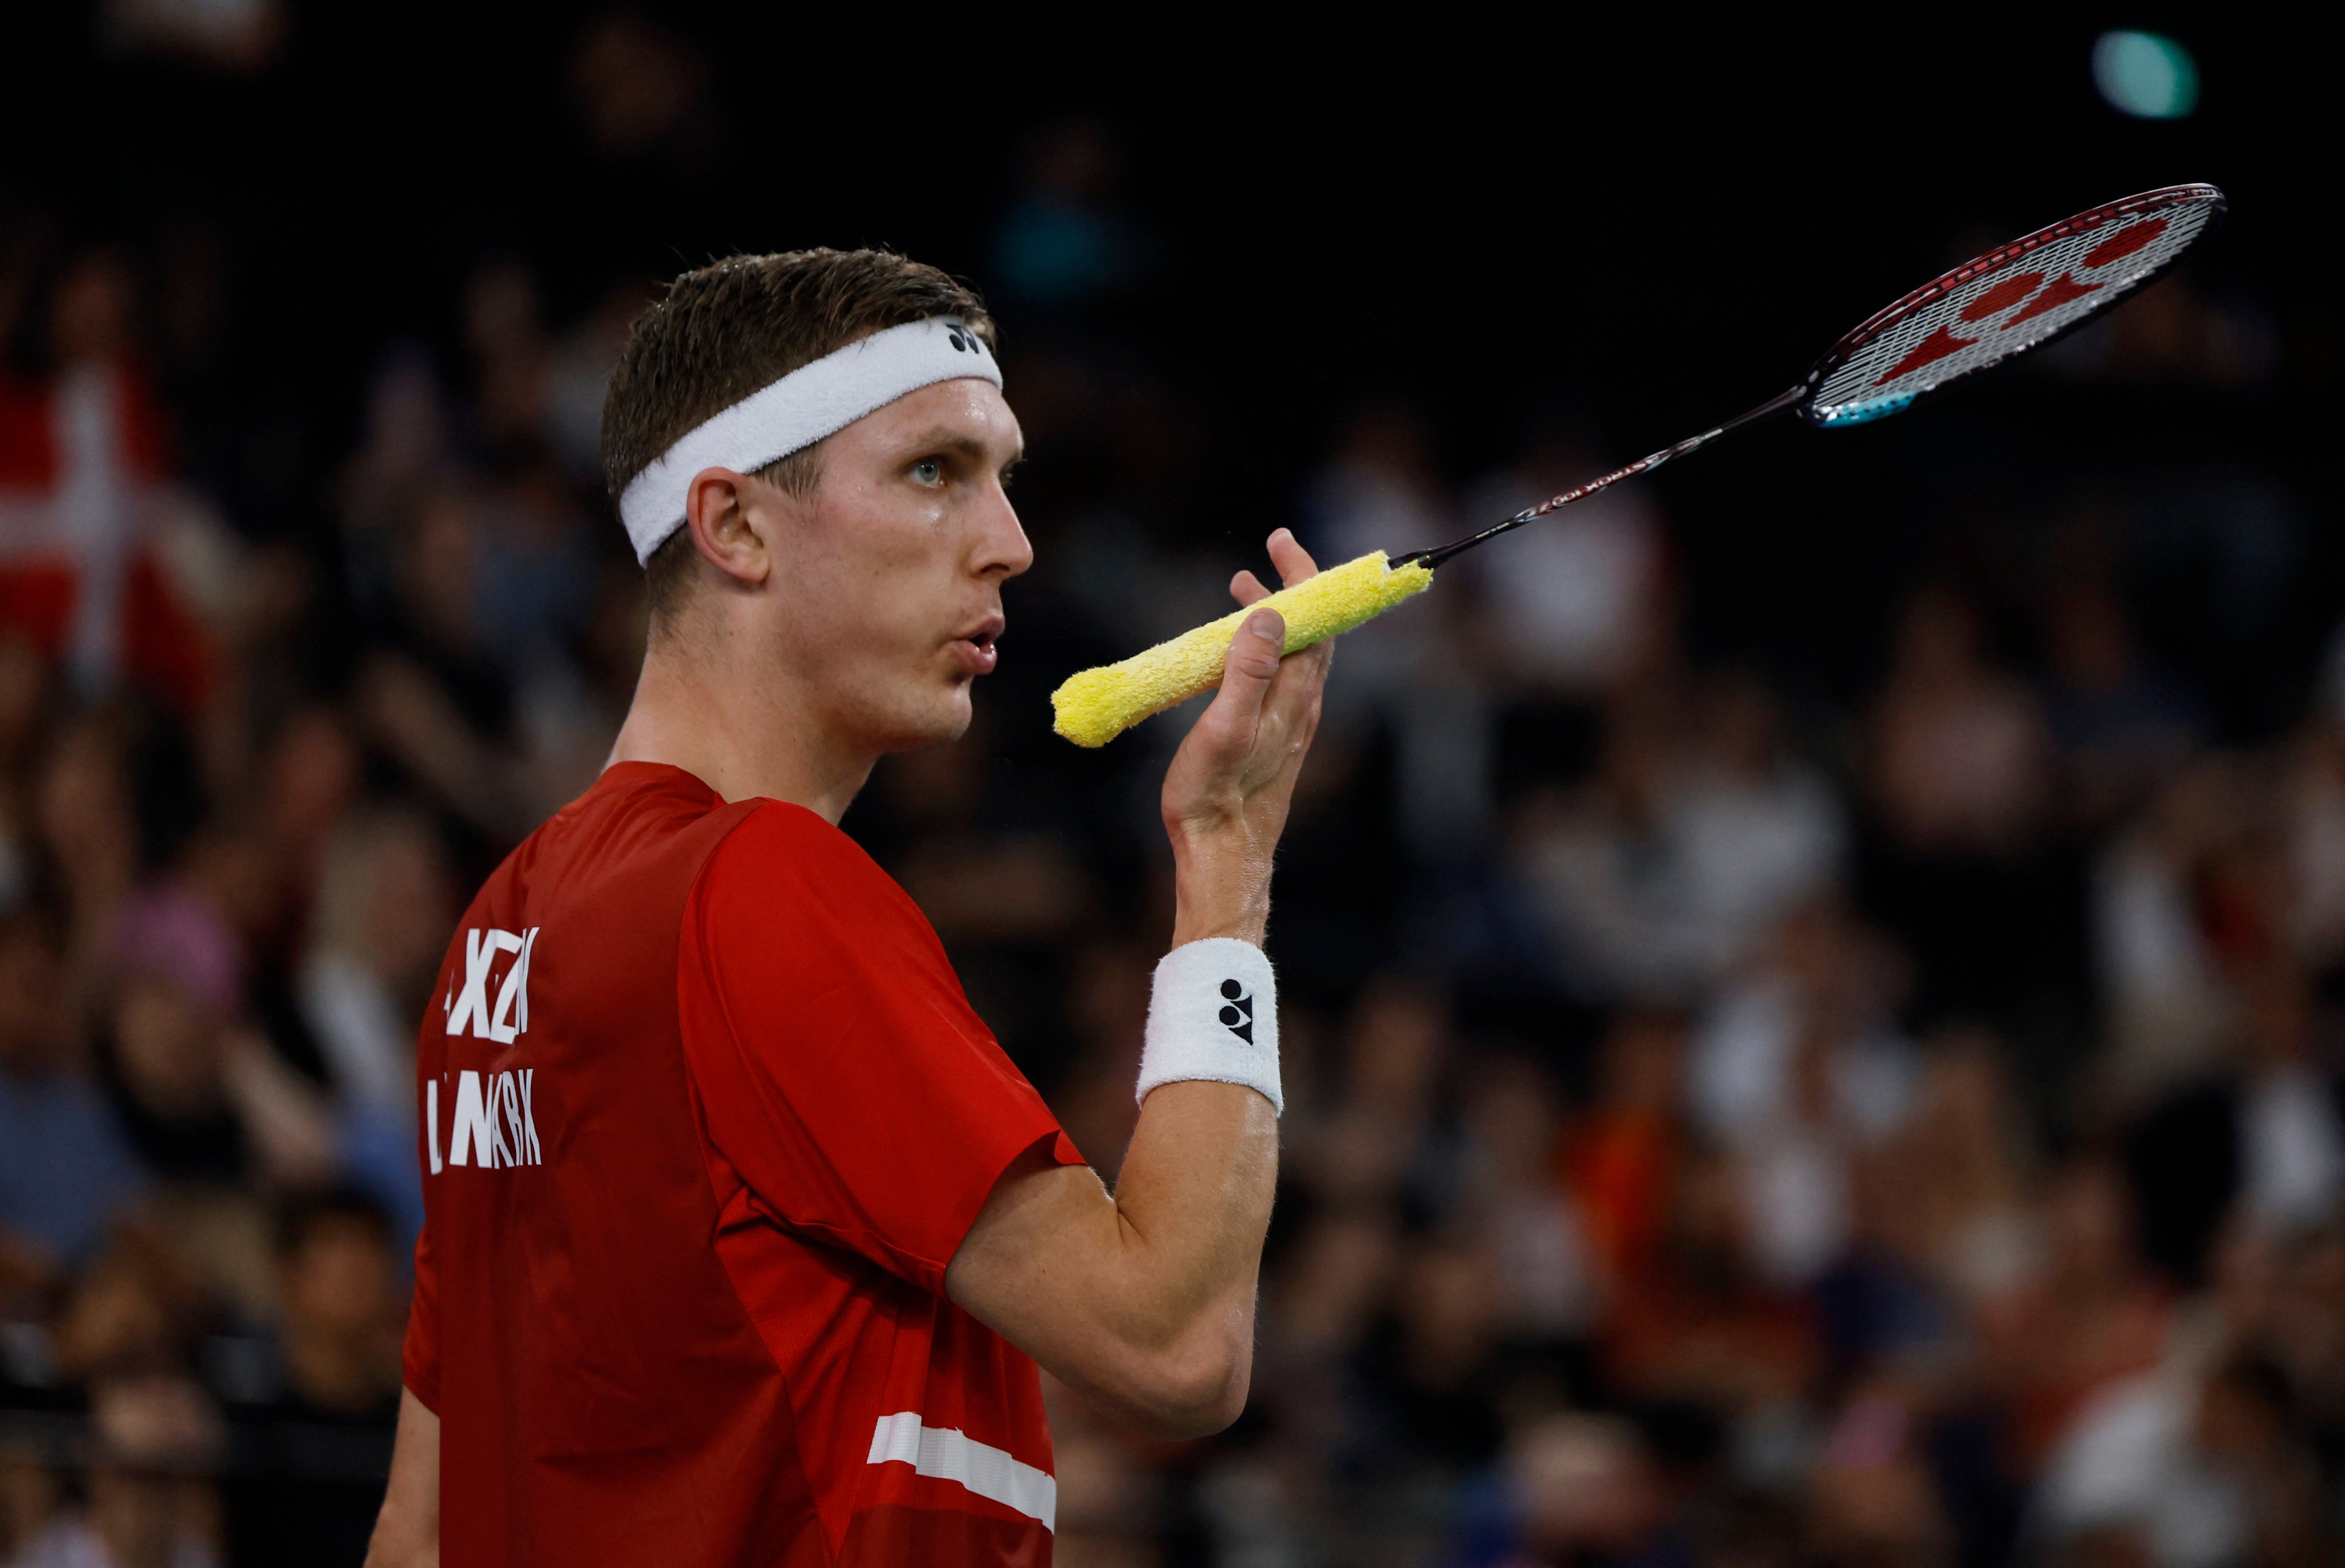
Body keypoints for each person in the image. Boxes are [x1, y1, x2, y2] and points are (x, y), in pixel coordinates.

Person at [363, 250, 1332, 1566]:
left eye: (1003, 476)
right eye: (933, 472)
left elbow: (420, 1529)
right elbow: (1175, 1345)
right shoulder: (758, 884)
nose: (1010, 541)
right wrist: (1225, 864)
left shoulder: (497, 930)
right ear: (736, 527)